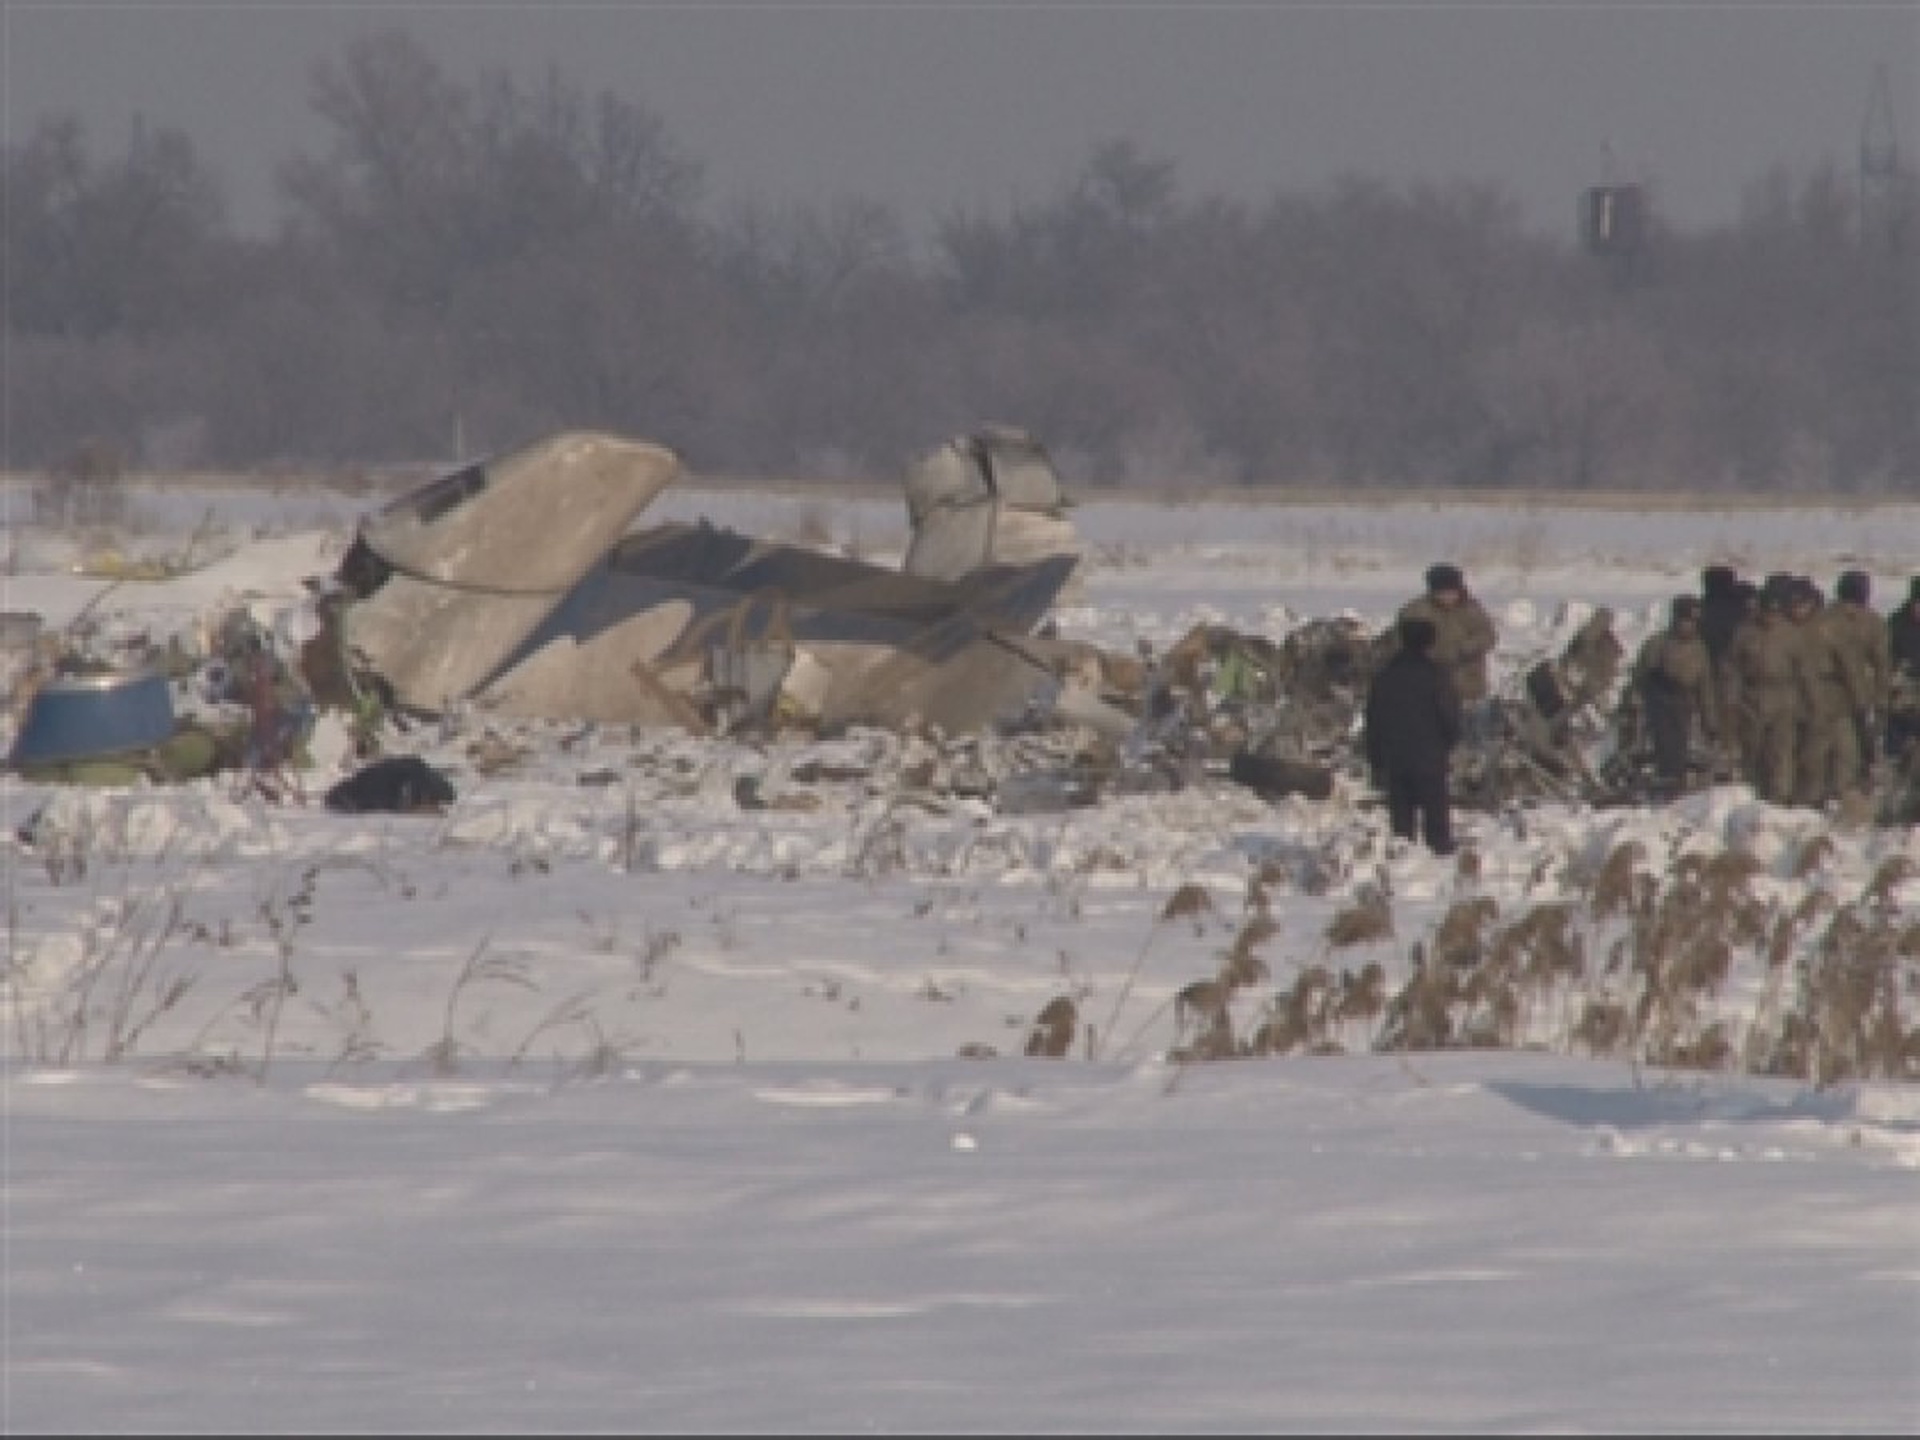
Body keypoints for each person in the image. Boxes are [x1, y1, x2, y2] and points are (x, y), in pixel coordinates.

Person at [1364, 615, 1462, 855]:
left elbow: (1373, 721)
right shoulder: (1437, 676)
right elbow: (1449, 716)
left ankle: (1402, 867)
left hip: (1395, 759)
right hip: (1430, 758)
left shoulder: (1384, 677)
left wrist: (1376, 759)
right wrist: (1449, 742)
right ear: (1430, 642)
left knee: (1402, 825)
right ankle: (1440, 867)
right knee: (1437, 825)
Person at [1723, 586, 1810, 806]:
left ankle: (1780, 797)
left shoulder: (1792, 634)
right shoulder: (1744, 633)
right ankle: (1754, 795)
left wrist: (1808, 703)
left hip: (1784, 698)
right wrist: (1731, 700)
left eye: (1775, 612)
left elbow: (1805, 671)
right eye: (1766, 611)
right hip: (1752, 698)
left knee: (1781, 752)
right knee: (1753, 751)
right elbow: (1732, 668)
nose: (1770, 617)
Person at [1786, 578, 1867, 810]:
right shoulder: (1787, 629)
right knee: (1811, 757)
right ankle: (1809, 801)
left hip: (1834, 699)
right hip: (1799, 701)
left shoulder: (1829, 628)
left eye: (1802, 604)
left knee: (1844, 753)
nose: (1798, 609)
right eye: (1794, 604)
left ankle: (1844, 799)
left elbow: (1850, 666)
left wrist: (1860, 700)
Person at [1631, 595, 1720, 798]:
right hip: (1659, 704)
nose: (1689, 626)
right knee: (1664, 750)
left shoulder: (1699, 650)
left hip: (1684, 705)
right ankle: (1664, 789)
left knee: (1680, 752)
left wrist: (1711, 722)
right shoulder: (1658, 643)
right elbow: (1640, 677)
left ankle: (1675, 789)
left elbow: (1705, 688)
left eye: (1693, 622)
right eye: (1686, 621)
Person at [1396, 562, 1497, 740]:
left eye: (1452, 591)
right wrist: (1433, 655)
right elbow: (1402, 642)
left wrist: (1465, 648)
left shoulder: (1471, 609)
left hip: (1470, 686)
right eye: (1442, 592)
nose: (1448, 596)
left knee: (1478, 734)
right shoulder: (1416, 611)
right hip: (1432, 688)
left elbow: (1488, 636)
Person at [1827, 570, 1891, 784]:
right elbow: (1882, 665)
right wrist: (1881, 699)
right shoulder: (1872, 622)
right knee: (1852, 751)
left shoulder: (1825, 619)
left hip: (1837, 697)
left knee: (1844, 750)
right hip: (1856, 697)